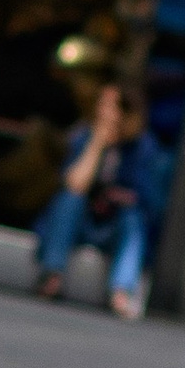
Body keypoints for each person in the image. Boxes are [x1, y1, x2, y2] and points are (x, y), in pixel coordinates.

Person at [33, 84, 167, 317]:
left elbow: (149, 202)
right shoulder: (85, 136)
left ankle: (122, 291)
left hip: (114, 227)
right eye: (102, 105)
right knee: (69, 201)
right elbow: (75, 184)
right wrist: (97, 143)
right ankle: (52, 274)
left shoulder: (143, 148)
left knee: (133, 219)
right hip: (82, 222)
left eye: (111, 107)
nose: (104, 113)